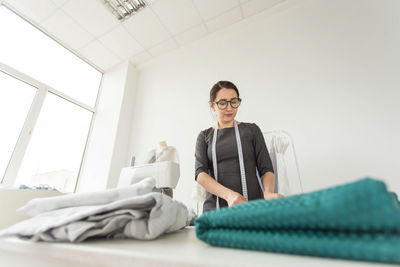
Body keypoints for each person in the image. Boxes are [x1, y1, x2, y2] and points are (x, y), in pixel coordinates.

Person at [194, 81, 282, 212]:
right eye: (222, 103)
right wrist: (229, 196)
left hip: (253, 206)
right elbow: (200, 174)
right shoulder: (205, 136)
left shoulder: (252, 130)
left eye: (234, 102)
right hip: (216, 210)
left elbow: (266, 168)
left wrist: (268, 192)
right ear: (212, 106)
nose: (229, 108)